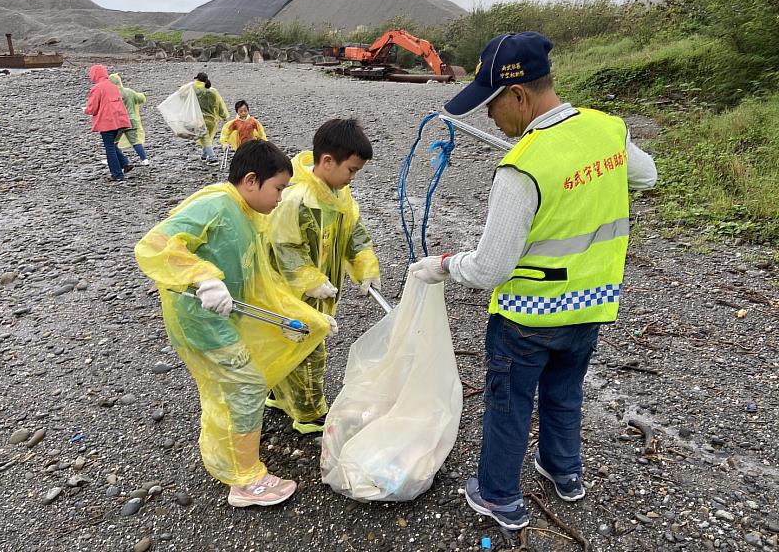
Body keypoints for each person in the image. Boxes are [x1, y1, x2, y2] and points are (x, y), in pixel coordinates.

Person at [409, 32, 658, 530]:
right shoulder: (608, 129)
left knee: (508, 402)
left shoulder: (521, 168)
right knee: (565, 392)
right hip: (591, 307)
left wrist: (442, 264)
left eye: (490, 104)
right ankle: (564, 471)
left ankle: (499, 496)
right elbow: (644, 176)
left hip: (527, 317)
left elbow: (491, 268)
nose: (488, 117)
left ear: (519, 96)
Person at [134, 140, 334, 507]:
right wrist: (202, 277)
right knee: (243, 388)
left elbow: (262, 282)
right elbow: (154, 243)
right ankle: (244, 480)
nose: (280, 198)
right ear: (252, 180)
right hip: (199, 322)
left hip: (220, 320)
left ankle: (232, 462)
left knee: (233, 390)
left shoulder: (248, 214)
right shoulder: (216, 204)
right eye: (278, 189)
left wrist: (303, 318)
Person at [267, 118, 381, 434]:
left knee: (288, 344)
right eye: (352, 170)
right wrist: (310, 280)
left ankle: (276, 394)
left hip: (320, 291)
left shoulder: (337, 196)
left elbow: (354, 234)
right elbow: (285, 247)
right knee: (307, 349)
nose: (352, 178)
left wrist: (366, 268)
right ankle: (309, 414)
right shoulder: (296, 198)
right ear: (328, 161)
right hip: (293, 294)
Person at [84, 65, 133, 183]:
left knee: (109, 147)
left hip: (107, 121)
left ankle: (117, 174)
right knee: (112, 144)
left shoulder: (97, 88)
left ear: (95, 74)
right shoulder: (113, 86)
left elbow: (92, 108)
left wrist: (85, 110)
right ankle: (125, 163)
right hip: (119, 120)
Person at [109, 73, 149, 165]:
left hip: (118, 122)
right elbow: (141, 98)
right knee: (135, 141)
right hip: (132, 120)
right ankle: (144, 159)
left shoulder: (112, 94)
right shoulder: (129, 91)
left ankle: (116, 159)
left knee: (113, 143)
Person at [192, 72, 229, 164]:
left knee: (204, 137)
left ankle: (212, 157)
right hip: (212, 120)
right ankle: (204, 155)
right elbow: (220, 105)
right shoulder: (213, 91)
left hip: (200, 119)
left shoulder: (193, 90)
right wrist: (224, 116)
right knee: (207, 137)